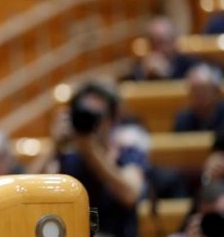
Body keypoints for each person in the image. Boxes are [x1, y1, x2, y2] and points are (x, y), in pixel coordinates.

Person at [54, 81, 148, 237]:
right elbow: (29, 192)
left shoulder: (128, 153)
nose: (91, 123)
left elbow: (130, 194)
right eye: (84, 115)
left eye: (96, 116)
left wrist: (90, 150)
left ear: (112, 120)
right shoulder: (67, 157)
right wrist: (54, 145)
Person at [129, 16, 197, 80]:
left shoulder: (188, 64)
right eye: (152, 42)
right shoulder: (142, 66)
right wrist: (144, 74)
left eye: (161, 42)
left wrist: (167, 73)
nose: (157, 48)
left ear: (173, 42)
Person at [174, 63, 224, 134]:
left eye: (203, 90)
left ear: (216, 91)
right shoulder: (183, 120)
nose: (199, 95)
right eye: (195, 91)